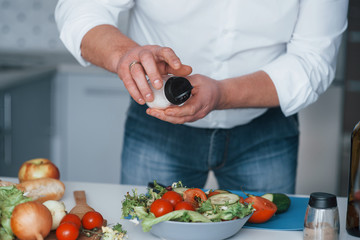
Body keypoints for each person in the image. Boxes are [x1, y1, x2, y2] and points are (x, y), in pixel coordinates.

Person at [55, 0, 348, 193]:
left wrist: (222, 94)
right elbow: (81, 8)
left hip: (264, 129)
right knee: (145, 229)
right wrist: (125, 56)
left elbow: (314, 60)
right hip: (156, 125)